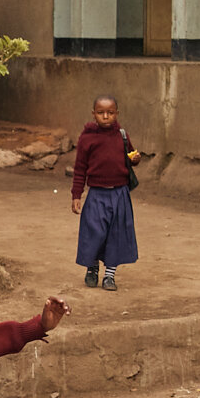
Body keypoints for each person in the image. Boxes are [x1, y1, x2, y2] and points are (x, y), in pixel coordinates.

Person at [70, 95, 143, 291]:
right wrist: (76, 195)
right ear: (93, 114)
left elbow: (132, 157)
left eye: (110, 113)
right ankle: (92, 268)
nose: (105, 116)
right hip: (96, 195)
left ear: (116, 114)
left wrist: (136, 158)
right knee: (94, 233)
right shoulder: (87, 138)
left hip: (119, 194)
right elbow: (80, 169)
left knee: (116, 235)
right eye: (101, 113)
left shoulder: (122, 135)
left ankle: (109, 276)